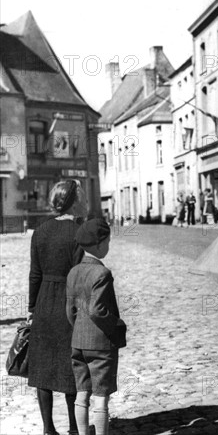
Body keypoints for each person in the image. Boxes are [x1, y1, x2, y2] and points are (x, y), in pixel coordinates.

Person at [28, 180, 88, 435]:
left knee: (42, 367)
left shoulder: (39, 231)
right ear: (73, 201)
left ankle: (48, 428)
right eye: (82, 197)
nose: (84, 200)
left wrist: (31, 308)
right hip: (69, 304)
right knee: (70, 365)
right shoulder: (79, 231)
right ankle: (75, 428)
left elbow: (34, 274)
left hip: (43, 303)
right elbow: (80, 274)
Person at [66, 218, 126, 435]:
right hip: (100, 345)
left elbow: (70, 310)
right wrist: (117, 325)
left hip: (78, 343)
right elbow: (97, 310)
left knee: (82, 394)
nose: (108, 246)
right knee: (101, 398)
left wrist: (79, 330)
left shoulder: (73, 272)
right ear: (100, 244)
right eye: (108, 242)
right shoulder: (102, 273)